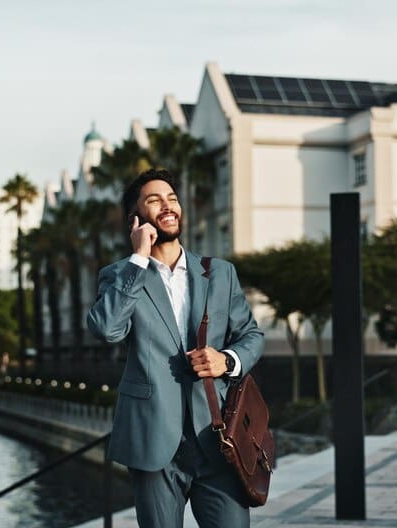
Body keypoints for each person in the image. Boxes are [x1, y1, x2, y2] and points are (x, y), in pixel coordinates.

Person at [87, 169, 264, 528]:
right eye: (154, 200)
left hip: (217, 438)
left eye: (172, 198)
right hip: (154, 442)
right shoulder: (120, 275)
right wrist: (138, 259)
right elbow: (107, 330)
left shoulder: (220, 273)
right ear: (136, 218)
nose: (167, 206)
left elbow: (251, 335)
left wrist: (226, 360)